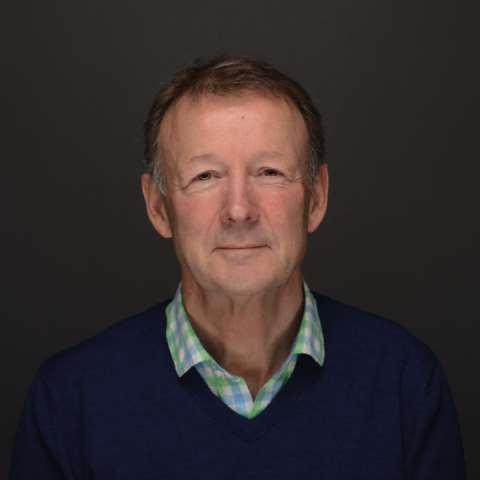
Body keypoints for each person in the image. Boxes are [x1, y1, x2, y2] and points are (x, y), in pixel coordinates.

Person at [10, 55, 465, 479]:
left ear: (317, 197)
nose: (239, 210)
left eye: (269, 172)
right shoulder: (70, 401)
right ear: (158, 207)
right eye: (205, 176)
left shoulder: (405, 383)